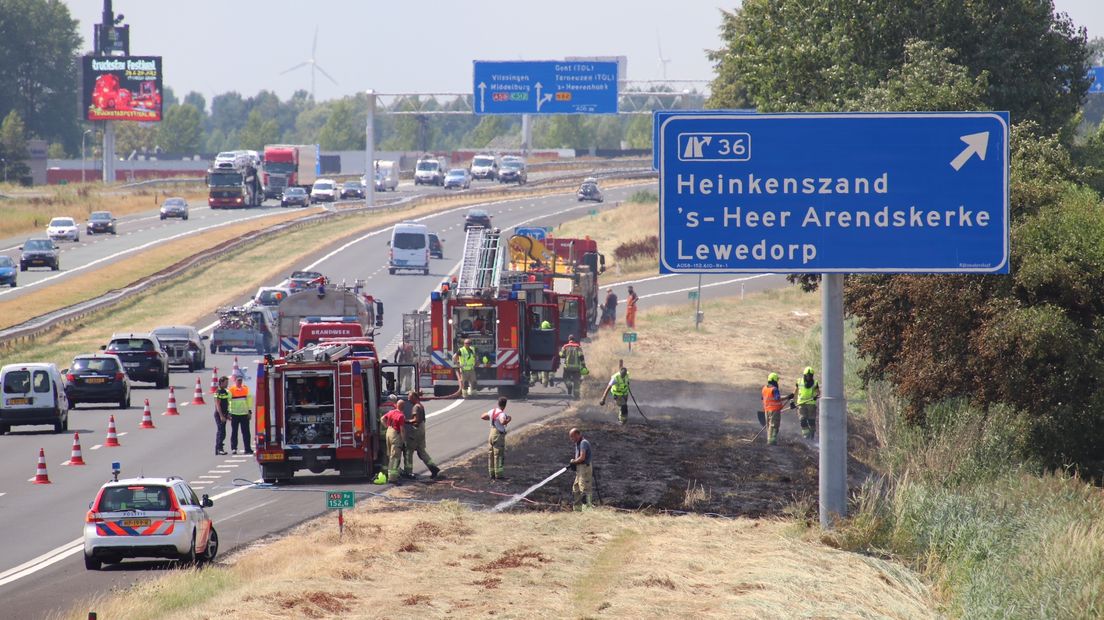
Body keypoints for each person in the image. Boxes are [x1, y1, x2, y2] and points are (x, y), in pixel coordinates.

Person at [402, 391, 441, 479]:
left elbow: (416, 420)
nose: (408, 399)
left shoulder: (416, 407)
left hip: (416, 430)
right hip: (421, 429)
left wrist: (405, 421)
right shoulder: (420, 405)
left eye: (409, 397)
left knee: (408, 451)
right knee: (421, 451)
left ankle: (408, 472)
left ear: (414, 397)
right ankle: (433, 468)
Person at [480, 396, 511, 480]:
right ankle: (499, 474)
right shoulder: (501, 414)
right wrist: (508, 420)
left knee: (491, 454)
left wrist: (491, 418)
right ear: (505, 405)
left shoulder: (492, 411)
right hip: (498, 435)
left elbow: (482, 416)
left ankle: (491, 473)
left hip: (491, 433)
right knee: (498, 454)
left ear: (498, 403)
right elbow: (502, 421)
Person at [381, 399, 408, 485]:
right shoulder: (401, 416)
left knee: (390, 455)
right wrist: (404, 441)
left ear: (396, 405)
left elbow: (382, 419)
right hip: (395, 435)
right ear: (403, 407)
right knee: (395, 457)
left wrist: (387, 426)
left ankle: (390, 475)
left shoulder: (392, 412)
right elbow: (402, 430)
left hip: (388, 432)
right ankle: (393, 478)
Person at [762, 372, 794, 446]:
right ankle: (772, 441)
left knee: (768, 425)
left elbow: (763, 398)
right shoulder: (774, 389)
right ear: (774, 380)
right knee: (774, 425)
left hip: (766, 410)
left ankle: (769, 440)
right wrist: (788, 397)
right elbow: (777, 398)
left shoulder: (764, 388)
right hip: (774, 411)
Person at [568, 428, 594, 510]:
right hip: (580, 468)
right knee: (576, 488)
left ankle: (587, 508)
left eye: (573, 437)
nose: (572, 439)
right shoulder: (578, 443)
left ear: (578, 435)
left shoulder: (583, 443)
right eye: (571, 437)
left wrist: (574, 462)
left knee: (584, 488)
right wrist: (574, 462)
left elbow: (582, 457)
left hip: (584, 468)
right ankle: (577, 509)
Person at [228, 370, 253, 454]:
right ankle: (234, 448)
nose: (239, 382)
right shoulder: (231, 389)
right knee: (234, 432)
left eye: (241, 380)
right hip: (234, 414)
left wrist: (249, 411)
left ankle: (247, 448)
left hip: (244, 414)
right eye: (238, 380)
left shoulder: (246, 389)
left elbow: (249, 400)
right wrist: (229, 413)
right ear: (235, 381)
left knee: (246, 433)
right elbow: (228, 401)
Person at [795, 367, 820, 439]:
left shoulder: (815, 383)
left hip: (811, 405)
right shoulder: (799, 381)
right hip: (801, 404)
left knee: (811, 421)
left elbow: (818, 392)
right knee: (802, 420)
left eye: (810, 376)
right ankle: (806, 435)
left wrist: (816, 396)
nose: (809, 377)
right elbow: (796, 392)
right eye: (807, 375)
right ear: (804, 375)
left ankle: (811, 435)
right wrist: (793, 401)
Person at [559, 335, 586, 399]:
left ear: (569, 339)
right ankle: (576, 395)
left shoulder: (565, 346)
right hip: (576, 368)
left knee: (565, 378)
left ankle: (569, 385)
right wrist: (583, 365)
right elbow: (581, 356)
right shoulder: (578, 346)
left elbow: (562, 355)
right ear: (574, 339)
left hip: (567, 367)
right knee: (576, 381)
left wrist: (560, 353)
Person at [213, 376, 230, 455]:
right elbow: (218, 405)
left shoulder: (225, 392)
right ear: (221, 383)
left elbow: (226, 403)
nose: (227, 384)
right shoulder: (218, 392)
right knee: (221, 431)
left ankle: (219, 448)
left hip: (224, 414)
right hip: (219, 414)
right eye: (226, 382)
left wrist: (228, 414)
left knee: (223, 432)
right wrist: (221, 416)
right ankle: (219, 448)